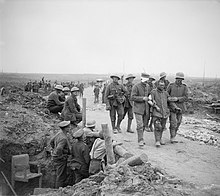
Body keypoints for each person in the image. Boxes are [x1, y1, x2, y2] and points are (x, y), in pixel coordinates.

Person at [167, 72, 188, 143]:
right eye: (178, 79)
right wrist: (170, 99)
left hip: (181, 107)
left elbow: (186, 97)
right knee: (173, 122)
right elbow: (167, 95)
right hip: (172, 107)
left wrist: (177, 99)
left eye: (181, 79)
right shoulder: (171, 85)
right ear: (176, 79)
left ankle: (174, 135)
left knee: (178, 122)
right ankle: (172, 137)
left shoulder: (184, 87)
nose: (179, 80)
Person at [131, 73, 151, 147]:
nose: (146, 82)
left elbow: (149, 94)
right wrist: (142, 98)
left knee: (143, 125)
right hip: (138, 108)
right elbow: (132, 97)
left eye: (147, 81)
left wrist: (150, 98)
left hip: (146, 109)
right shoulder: (136, 86)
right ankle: (140, 140)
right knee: (140, 124)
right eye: (145, 81)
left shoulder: (148, 86)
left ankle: (141, 137)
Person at [50, 121, 71, 188]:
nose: (69, 128)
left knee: (59, 174)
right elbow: (59, 149)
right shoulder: (63, 138)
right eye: (68, 127)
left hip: (56, 158)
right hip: (60, 159)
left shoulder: (59, 134)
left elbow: (51, 141)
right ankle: (58, 190)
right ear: (65, 128)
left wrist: (54, 149)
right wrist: (60, 156)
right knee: (61, 175)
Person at [150, 81, 170, 147]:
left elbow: (169, 101)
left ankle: (160, 138)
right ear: (157, 85)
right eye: (161, 85)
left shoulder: (165, 93)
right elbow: (150, 100)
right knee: (157, 127)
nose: (162, 87)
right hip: (156, 112)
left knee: (162, 127)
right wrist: (155, 106)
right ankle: (157, 140)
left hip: (164, 113)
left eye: (163, 85)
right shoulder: (153, 92)